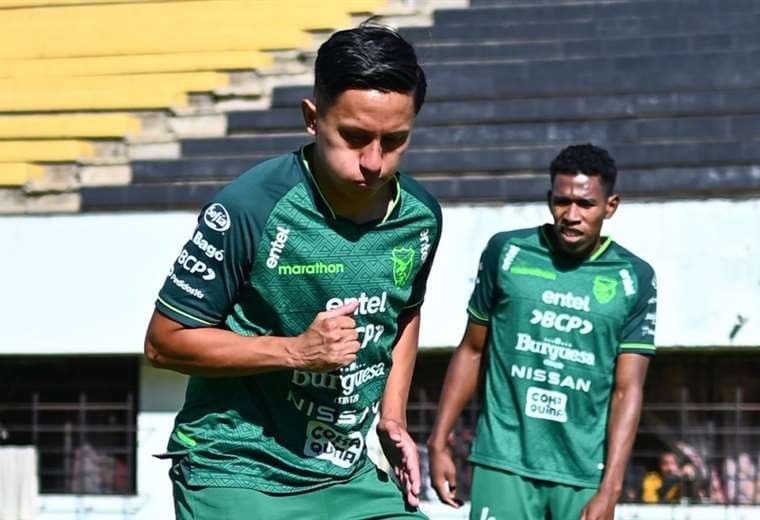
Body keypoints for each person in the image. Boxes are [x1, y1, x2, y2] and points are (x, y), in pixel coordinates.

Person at [144, 22, 441, 520]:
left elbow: (405, 313)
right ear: (312, 118)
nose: (373, 161)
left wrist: (393, 418)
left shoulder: (421, 215)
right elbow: (164, 342)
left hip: (344, 474)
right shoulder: (250, 206)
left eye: (394, 141)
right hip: (235, 467)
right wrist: (296, 352)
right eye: (353, 137)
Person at [427, 144, 657, 520]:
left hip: (583, 474)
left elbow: (627, 389)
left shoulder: (635, 278)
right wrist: (439, 441)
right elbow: (471, 350)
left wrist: (611, 489)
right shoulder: (507, 252)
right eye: (562, 201)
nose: (572, 215)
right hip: (504, 461)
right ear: (550, 199)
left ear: (610, 206)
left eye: (586, 204)